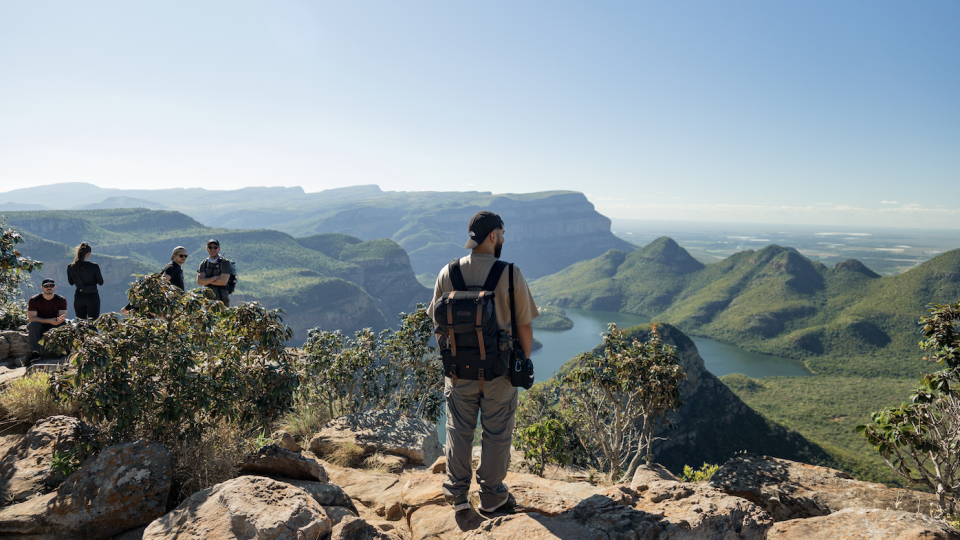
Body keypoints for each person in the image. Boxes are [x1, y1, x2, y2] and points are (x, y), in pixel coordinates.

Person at [427, 211, 538, 514]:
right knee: (497, 434)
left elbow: (437, 325)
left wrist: (454, 357)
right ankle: (491, 496)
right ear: (492, 236)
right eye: (502, 233)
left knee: (458, 431)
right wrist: (523, 362)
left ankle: (457, 495)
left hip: (458, 372)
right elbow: (525, 326)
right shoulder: (510, 273)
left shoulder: (447, 273)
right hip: (499, 373)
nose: (503, 239)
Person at [121, 246, 188, 316]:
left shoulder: (177, 268)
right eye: (181, 255)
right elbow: (162, 282)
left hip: (165, 301)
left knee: (127, 311)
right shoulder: (172, 268)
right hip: (163, 303)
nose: (184, 257)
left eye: (185, 256)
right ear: (174, 256)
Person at [26, 278, 68, 365]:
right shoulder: (34, 300)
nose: (49, 288)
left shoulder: (61, 300)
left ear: (55, 287)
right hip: (40, 325)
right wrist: (49, 321)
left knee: (64, 324)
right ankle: (35, 352)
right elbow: (31, 318)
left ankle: (64, 350)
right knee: (33, 325)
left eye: (51, 286)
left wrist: (58, 321)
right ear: (42, 288)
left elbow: (62, 316)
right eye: (46, 286)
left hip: (54, 324)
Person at [66, 242, 103, 320]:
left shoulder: (71, 267)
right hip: (92, 296)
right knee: (93, 322)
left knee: (80, 322)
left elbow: (71, 282)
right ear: (89, 253)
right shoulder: (94, 266)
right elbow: (101, 282)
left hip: (79, 297)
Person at [197, 238, 234, 307]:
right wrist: (214, 278)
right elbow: (199, 282)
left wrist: (206, 281)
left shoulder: (225, 263)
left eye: (215, 247)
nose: (213, 249)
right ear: (207, 249)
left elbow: (223, 282)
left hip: (222, 300)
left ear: (219, 249)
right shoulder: (204, 263)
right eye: (210, 247)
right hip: (208, 300)